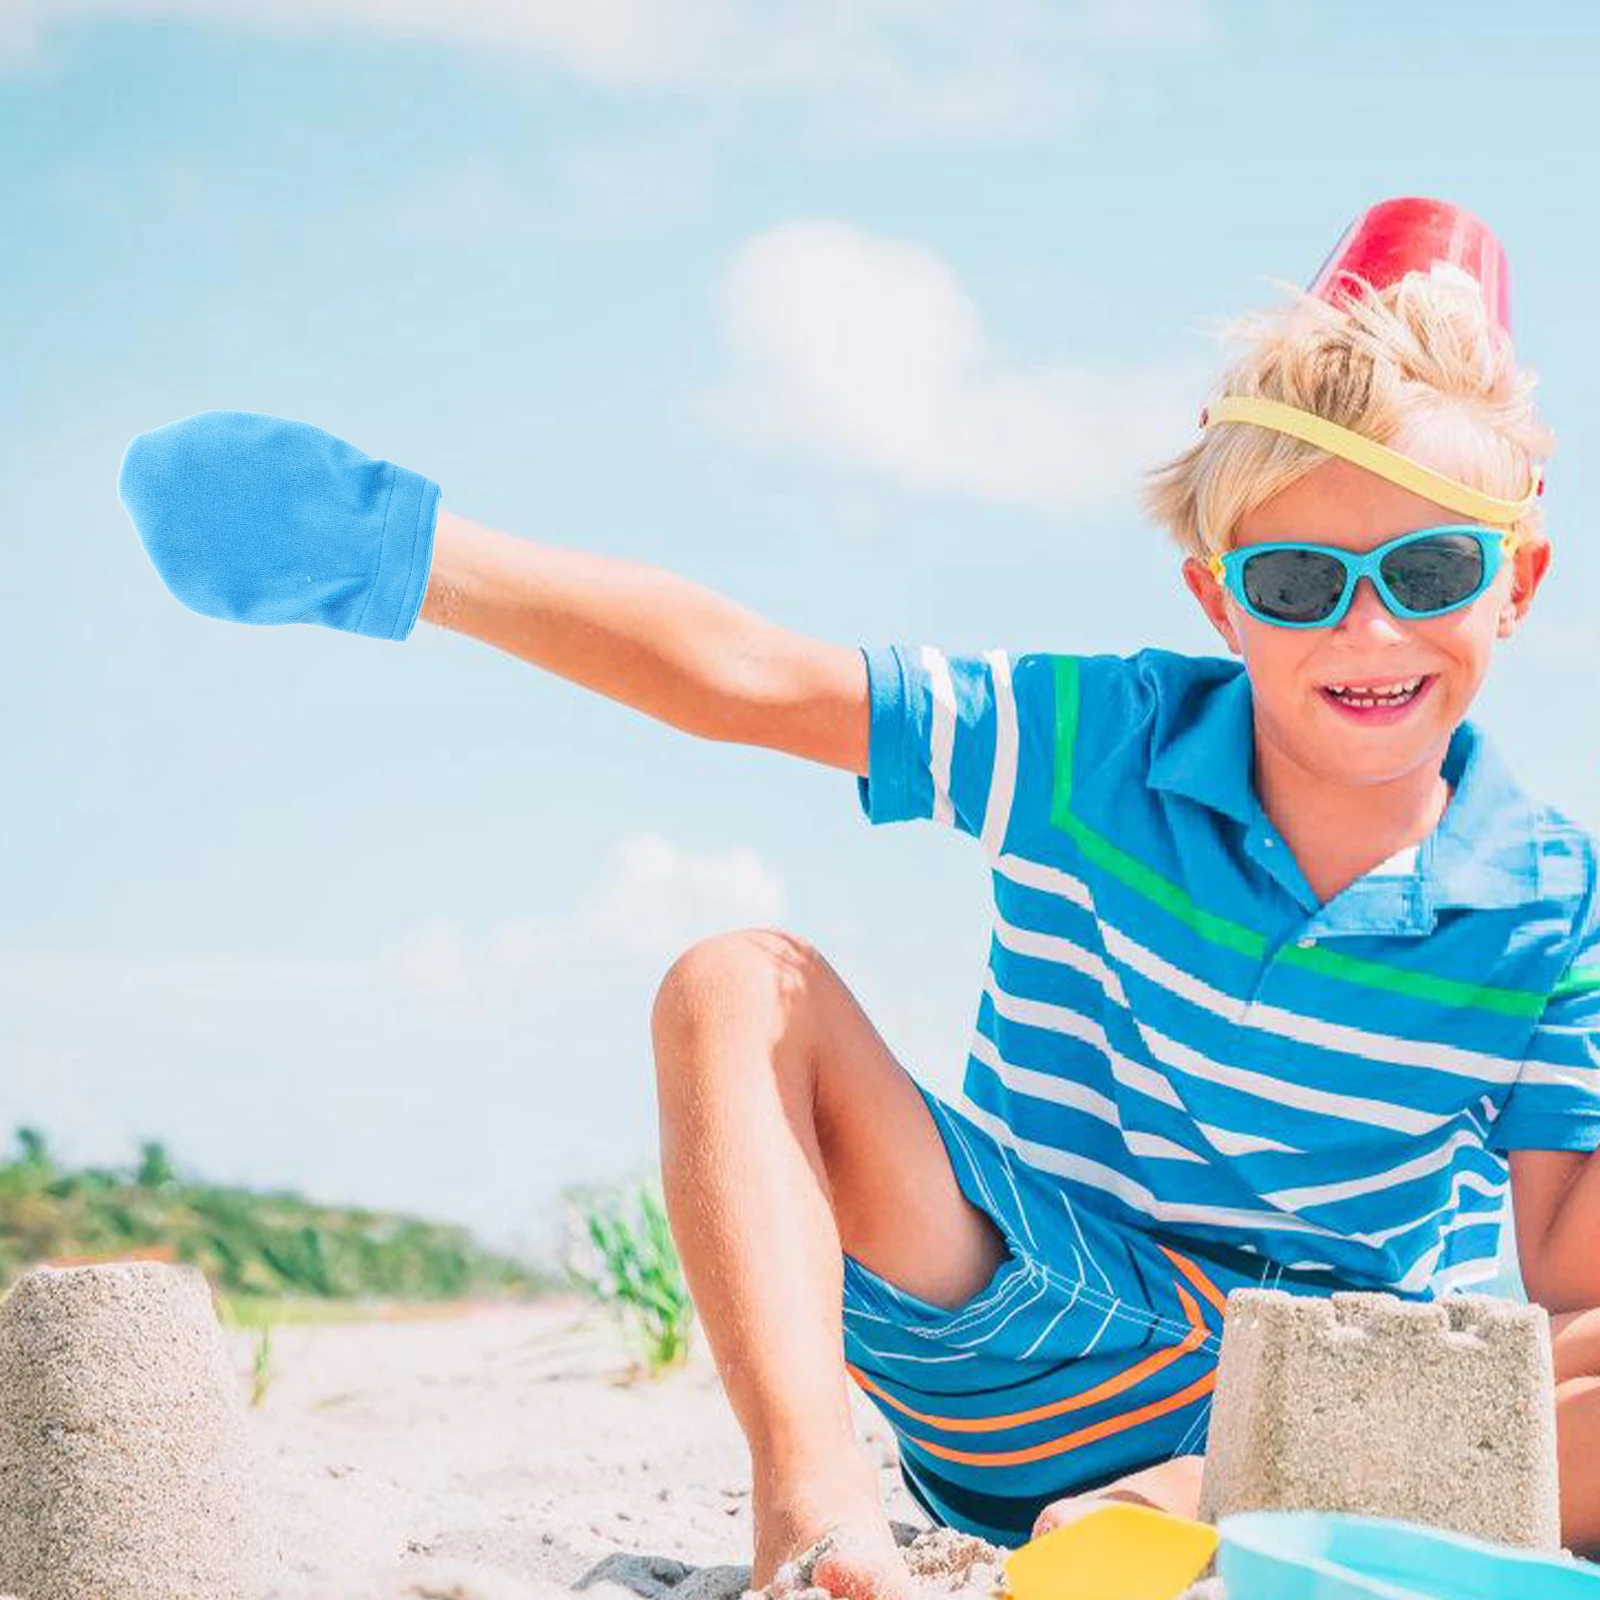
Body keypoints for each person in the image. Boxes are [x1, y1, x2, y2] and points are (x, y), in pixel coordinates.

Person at [117, 197, 1600, 1597]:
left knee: (1486, 1394)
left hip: (1335, 1421)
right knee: (732, 981)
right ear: (1217, 596)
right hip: (1023, 1321)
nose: (1367, 623)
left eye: (1427, 568)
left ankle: (1191, 1510)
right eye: (1296, 582)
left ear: (1515, 583)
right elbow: (751, 678)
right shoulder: (1093, 743)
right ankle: (818, 1517)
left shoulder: (1546, 900)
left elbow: (1563, 1280)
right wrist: (410, 554)